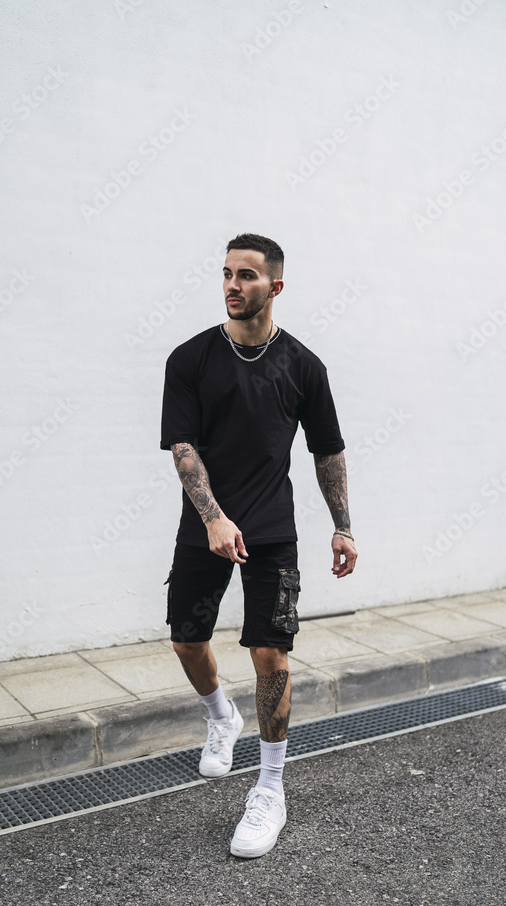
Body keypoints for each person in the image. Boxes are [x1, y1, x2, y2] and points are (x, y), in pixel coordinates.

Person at [160, 233, 357, 858]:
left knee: (271, 657)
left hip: (273, 533)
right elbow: (184, 451)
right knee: (187, 640)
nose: (232, 285)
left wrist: (343, 524)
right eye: (225, 273)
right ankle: (221, 716)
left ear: (274, 286)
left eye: (246, 275)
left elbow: (327, 449)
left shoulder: (303, 366)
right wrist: (214, 518)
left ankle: (270, 787)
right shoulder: (189, 360)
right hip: (205, 526)